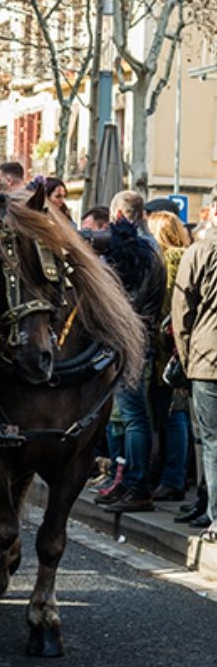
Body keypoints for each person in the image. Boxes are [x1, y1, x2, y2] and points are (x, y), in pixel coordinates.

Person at [97, 190, 167, 513]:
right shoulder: (146, 246)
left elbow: (130, 302)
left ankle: (137, 485)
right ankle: (128, 482)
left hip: (133, 340)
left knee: (134, 416)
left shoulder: (141, 249)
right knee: (129, 416)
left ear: (120, 215)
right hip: (137, 337)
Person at [174, 193, 217, 541]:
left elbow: (182, 312)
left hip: (208, 359)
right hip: (206, 357)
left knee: (213, 441)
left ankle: (216, 516)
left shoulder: (200, 251)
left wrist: (187, 360)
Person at [147, 210, 193, 503]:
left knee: (174, 415)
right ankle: (172, 474)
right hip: (177, 347)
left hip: (168, 349)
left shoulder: (166, 260)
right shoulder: (185, 255)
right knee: (174, 415)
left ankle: (173, 477)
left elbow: (168, 306)